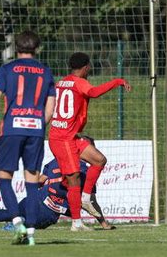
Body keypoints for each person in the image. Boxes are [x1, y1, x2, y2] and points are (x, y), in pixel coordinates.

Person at [0, 30, 56, 246]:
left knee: (4, 178)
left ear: (17, 48)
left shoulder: (6, 69)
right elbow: (50, 107)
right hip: (35, 131)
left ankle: (17, 222)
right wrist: (39, 125)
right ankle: (30, 232)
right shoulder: (46, 72)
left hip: (12, 130)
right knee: (32, 182)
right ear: (37, 48)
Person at [0, 137, 115, 243]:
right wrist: (103, 223)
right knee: (29, 220)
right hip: (51, 211)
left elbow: (41, 179)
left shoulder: (58, 159)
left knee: (12, 213)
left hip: (37, 198)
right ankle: (21, 226)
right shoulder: (86, 172)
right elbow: (89, 201)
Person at [48, 52, 131, 231]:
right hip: (63, 139)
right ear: (86, 67)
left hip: (71, 136)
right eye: (90, 66)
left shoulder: (61, 82)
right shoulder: (80, 82)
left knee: (99, 160)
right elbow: (93, 92)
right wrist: (117, 81)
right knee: (73, 179)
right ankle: (76, 223)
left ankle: (85, 197)